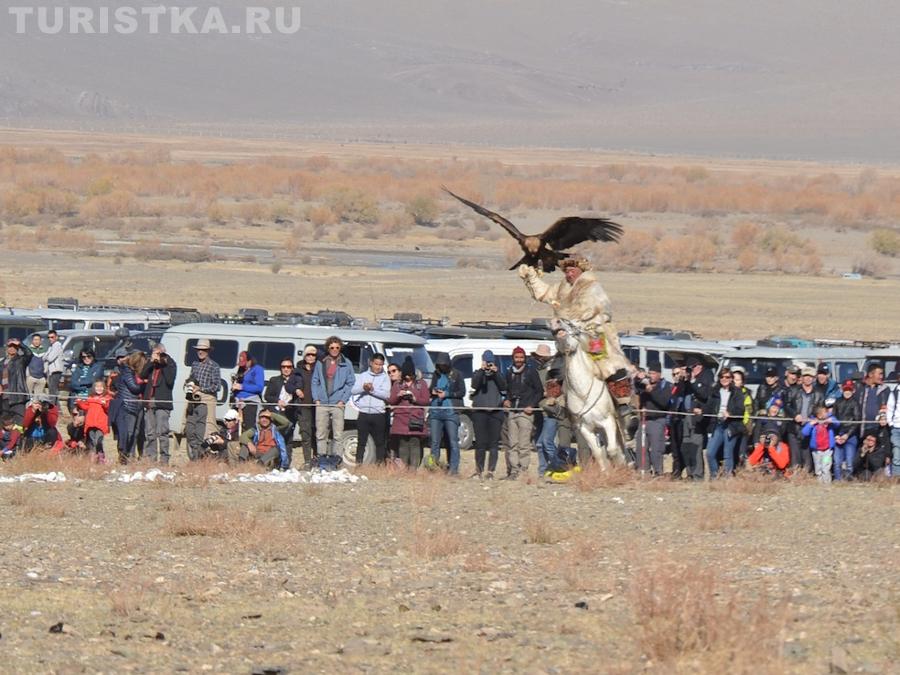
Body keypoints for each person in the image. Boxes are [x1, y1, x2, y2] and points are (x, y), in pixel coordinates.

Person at [519, 257, 632, 401]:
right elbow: (545, 293)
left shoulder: (592, 287)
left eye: (572, 270)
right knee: (555, 369)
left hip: (592, 335)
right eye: (566, 271)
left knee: (608, 365)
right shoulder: (562, 287)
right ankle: (556, 404)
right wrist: (531, 277)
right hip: (569, 336)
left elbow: (604, 311)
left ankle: (623, 404)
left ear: (581, 271)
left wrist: (585, 323)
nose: (569, 274)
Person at [502, 346, 543, 480]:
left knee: (524, 444)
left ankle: (523, 469)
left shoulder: (531, 372)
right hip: (513, 411)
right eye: (516, 357)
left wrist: (532, 405)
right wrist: (507, 400)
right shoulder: (509, 372)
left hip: (526, 412)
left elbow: (539, 391)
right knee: (512, 443)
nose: (519, 360)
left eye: (521, 357)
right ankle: (514, 470)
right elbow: (507, 389)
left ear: (524, 358)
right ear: (513, 358)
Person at [312, 336, 355, 457]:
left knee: (338, 434)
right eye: (332, 347)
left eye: (337, 347)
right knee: (320, 433)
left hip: (338, 403)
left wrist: (343, 399)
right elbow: (315, 381)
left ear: (340, 348)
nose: (334, 349)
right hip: (322, 402)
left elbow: (351, 383)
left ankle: (336, 459)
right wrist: (316, 398)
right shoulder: (321, 362)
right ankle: (321, 458)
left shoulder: (347, 363)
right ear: (328, 348)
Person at [470, 350, 506, 479]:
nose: (489, 365)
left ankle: (491, 471)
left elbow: (503, 386)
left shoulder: (498, 374)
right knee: (480, 443)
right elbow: (475, 384)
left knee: (493, 444)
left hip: (495, 412)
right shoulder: (477, 373)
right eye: (487, 362)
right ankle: (478, 470)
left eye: (490, 362)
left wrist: (496, 373)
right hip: (480, 412)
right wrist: (481, 370)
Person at [703, 368, 745, 478]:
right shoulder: (715, 391)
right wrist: (701, 411)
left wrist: (730, 413)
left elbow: (741, 410)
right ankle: (714, 476)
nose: (724, 379)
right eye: (722, 377)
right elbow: (708, 407)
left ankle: (727, 478)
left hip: (731, 426)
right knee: (710, 453)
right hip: (718, 425)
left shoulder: (737, 392)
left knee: (727, 454)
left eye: (727, 377)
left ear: (731, 379)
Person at [427, 352, 465, 475]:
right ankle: (433, 467)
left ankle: (453, 469)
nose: (442, 366)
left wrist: (447, 394)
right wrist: (433, 391)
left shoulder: (457, 374)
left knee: (453, 441)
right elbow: (430, 388)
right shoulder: (436, 375)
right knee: (434, 441)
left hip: (451, 411)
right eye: (440, 364)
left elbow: (461, 392)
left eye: (444, 364)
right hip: (435, 411)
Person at [388, 358, 429, 469]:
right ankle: (404, 468)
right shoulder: (397, 385)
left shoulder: (421, 384)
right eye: (406, 375)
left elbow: (426, 401)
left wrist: (415, 399)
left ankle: (413, 469)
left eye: (410, 375)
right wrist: (398, 395)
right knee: (403, 444)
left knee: (415, 443)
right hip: (400, 418)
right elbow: (391, 401)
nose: (407, 377)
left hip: (415, 418)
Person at [350, 353, 391, 465]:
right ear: (371, 363)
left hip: (378, 413)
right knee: (361, 441)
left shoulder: (385, 378)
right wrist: (363, 388)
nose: (378, 367)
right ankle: (358, 464)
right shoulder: (363, 375)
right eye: (376, 364)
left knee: (380, 441)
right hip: (363, 413)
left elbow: (386, 395)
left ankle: (379, 465)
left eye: (381, 365)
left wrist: (372, 390)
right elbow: (353, 391)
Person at [634, 361, 672, 475]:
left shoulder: (665, 386)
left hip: (657, 420)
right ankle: (644, 470)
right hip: (644, 420)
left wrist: (651, 392)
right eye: (650, 373)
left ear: (659, 374)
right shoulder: (645, 384)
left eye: (654, 373)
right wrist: (637, 377)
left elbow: (664, 403)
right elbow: (636, 386)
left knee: (656, 449)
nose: (651, 375)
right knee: (641, 447)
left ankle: (658, 472)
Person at [141, 344, 177, 464]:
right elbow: (142, 375)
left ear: (163, 352)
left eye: (159, 353)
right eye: (155, 353)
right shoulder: (152, 365)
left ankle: (164, 459)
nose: (157, 356)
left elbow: (170, 380)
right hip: (150, 401)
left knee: (162, 432)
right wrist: (151, 362)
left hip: (162, 402)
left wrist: (163, 363)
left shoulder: (170, 363)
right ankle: (151, 458)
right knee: (150, 433)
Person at [784, 366, 823, 472]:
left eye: (810, 376)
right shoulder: (793, 390)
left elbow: (821, 409)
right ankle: (796, 478)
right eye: (806, 376)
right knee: (795, 457)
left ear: (814, 378)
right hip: (794, 428)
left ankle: (806, 477)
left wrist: (814, 418)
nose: (808, 378)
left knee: (807, 457)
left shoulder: (819, 393)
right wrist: (795, 415)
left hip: (809, 428)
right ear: (801, 377)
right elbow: (786, 405)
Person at [186, 338, 221, 458]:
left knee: (207, 428)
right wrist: (188, 384)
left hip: (207, 400)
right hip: (193, 400)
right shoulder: (194, 364)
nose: (200, 352)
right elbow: (191, 378)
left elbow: (217, 386)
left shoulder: (214, 366)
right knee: (190, 428)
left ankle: (209, 454)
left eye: (203, 350)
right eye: (198, 350)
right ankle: (195, 455)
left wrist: (200, 388)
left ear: (208, 351)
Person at [113, 350, 146, 464]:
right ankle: (124, 456)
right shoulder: (127, 372)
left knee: (132, 433)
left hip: (133, 405)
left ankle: (129, 456)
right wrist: (144, 383)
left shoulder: (129, 371)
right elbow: (134, 388)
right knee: (127, 433)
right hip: (127, 405)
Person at [684, 355, 714, 480]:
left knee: (696, 445)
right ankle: (690, 473)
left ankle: (698, 475)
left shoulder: (707, 376)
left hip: (699, 417)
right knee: (686, 446)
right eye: (689, 369)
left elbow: (704, 394)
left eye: (693, 368)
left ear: (699, 366)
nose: (691, 371)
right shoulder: (690, 378)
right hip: (687, 414)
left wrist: (693, 381)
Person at [291, 345, 318, 468]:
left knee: (318, 433)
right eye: (308, 354)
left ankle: (317, 459)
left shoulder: (319, 369)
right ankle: (307, 460)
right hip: (303, 405)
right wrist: (296, 389)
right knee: (306, 433)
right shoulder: (298, 370)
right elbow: (288, 386)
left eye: (313, 355)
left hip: (317, 405)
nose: (311, 357)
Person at [76, 380, 111, 462]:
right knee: (92, 441)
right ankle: (93, 459)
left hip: (100, 424)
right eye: (97, 387)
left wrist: (104, 404)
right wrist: (79, 401)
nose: (99, 388)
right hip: (91, 423)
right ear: (94, 388)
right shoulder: (91, 398)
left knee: (99, 441)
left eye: (101, 387)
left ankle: (101, 458)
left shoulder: (107, 398)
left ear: (104, 388)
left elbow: (109, 409)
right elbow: (85, 407)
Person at [1, 338, 34, 424]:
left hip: (17, 398)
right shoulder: (2, 362)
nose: (12, 348)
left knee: (18, 424)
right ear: (7, 348)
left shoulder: (21, 360)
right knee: (4, 424)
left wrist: (19, 343)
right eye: (10, 346)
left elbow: (29, 354)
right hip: (4, 399)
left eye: (14, 347)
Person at [833, 379, 861, 480]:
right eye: (845, 389)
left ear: (853, 390)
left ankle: (848, 481)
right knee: (837, 462)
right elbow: (833, 419)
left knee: (849, 462)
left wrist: (847, 435)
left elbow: (857, 421)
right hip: (838, 434)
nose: (847, 392)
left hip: (850, 436)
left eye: (849, 389)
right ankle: (837, 481)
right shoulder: (837, 402)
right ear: (842, 389)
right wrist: (836, 435)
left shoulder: (855, 403)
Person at [801, 404, 837, 484]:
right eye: (823, 413)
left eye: (826, 412)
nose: (826, 414)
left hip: (827, 451)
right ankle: (820, 483)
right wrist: (811, 424)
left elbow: (837, 423)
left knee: (826, 467)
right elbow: (804, 432)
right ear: (818, 415)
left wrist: (831, 421)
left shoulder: (829, 421)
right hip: (816, 451)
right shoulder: (813, 423)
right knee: (818, 468)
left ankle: (827, 483)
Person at [232, 352, 265, 431]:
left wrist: (242, 387)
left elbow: (259, 387)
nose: (243, 366)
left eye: (245, 363)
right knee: (236, 427)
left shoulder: (257, 369)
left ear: (250, 360)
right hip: (238, 402)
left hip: (250, 403)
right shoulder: (242, 369)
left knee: (249, 428)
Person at [857, 362, 890, 438]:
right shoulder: (860, 388)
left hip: (879, 428)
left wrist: (883, 416)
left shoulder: (885, 390)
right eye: (880, 374)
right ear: (871, 374)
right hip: (862, 427)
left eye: (882, 374)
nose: (881, 377)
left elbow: (887, 406)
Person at [731, 368, 754, 467]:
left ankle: (740, 469)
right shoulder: (729, 392)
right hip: (731, 426)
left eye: (738, 380)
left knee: (741, 451)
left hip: (743, 426)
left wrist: (746, 425)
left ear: (742, 381)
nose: (735, 382)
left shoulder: (746, 394)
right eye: (734, 379)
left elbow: (749, 411)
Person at [68, 348, 104, 413]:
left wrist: (79, 381)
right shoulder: (78, 367)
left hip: (89, 398)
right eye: (84, 357)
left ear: (93, 356)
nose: (86, 359)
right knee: (77, 421)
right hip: (76, 399)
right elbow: (72, 383)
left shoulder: (98, 366)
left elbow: (92, 381)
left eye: (89, 356)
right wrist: (84, 387)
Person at [43, 330, 65, 401]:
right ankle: (54, 407)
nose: (50, 339)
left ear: (56, 337)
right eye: (49, 337)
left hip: (56, 371)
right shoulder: (51, 347)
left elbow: (50, 358)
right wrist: (46, 356)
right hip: (51, 372)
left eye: (52, 337)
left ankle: (53, 408)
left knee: (53, 392)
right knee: (52, 391)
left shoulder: (57, 345)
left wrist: (46, 356)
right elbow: (43, 357)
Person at [887, 373, 900, 478]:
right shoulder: (894, 392)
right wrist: (891, 423)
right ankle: (896, 477)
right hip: (896, 427)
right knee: (896, 452)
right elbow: (890, 408)